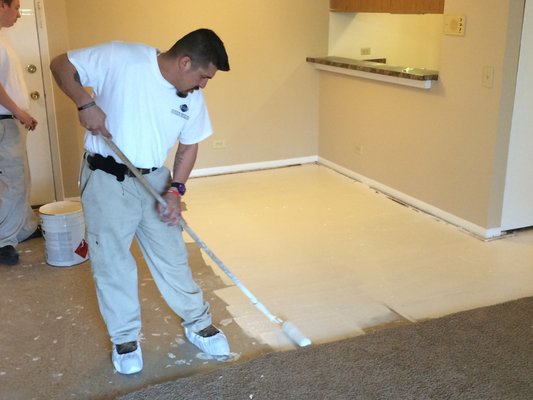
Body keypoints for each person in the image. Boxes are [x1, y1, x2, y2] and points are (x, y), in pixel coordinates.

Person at [49, 28, 230, 374]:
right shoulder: (122, 58)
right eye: (204, 77)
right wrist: (85, 103)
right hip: (106, 178)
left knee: (173, 256)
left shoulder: (190, 96)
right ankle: (125, 338)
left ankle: (198, 323)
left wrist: (176, 189)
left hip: (154, 179)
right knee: (113, 261)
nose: (204, 85)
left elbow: (189, 144)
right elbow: (60, 65)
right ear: (185, 61)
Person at [0, 0, 40, 266]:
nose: (19, 14)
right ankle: (4, 241)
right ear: (2, 5)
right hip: (4, 120)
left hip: (7, 120)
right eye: (16, 7)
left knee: (18, 179)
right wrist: (19, 111)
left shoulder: (2, 39)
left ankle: (23, 227)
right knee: (15, 182)